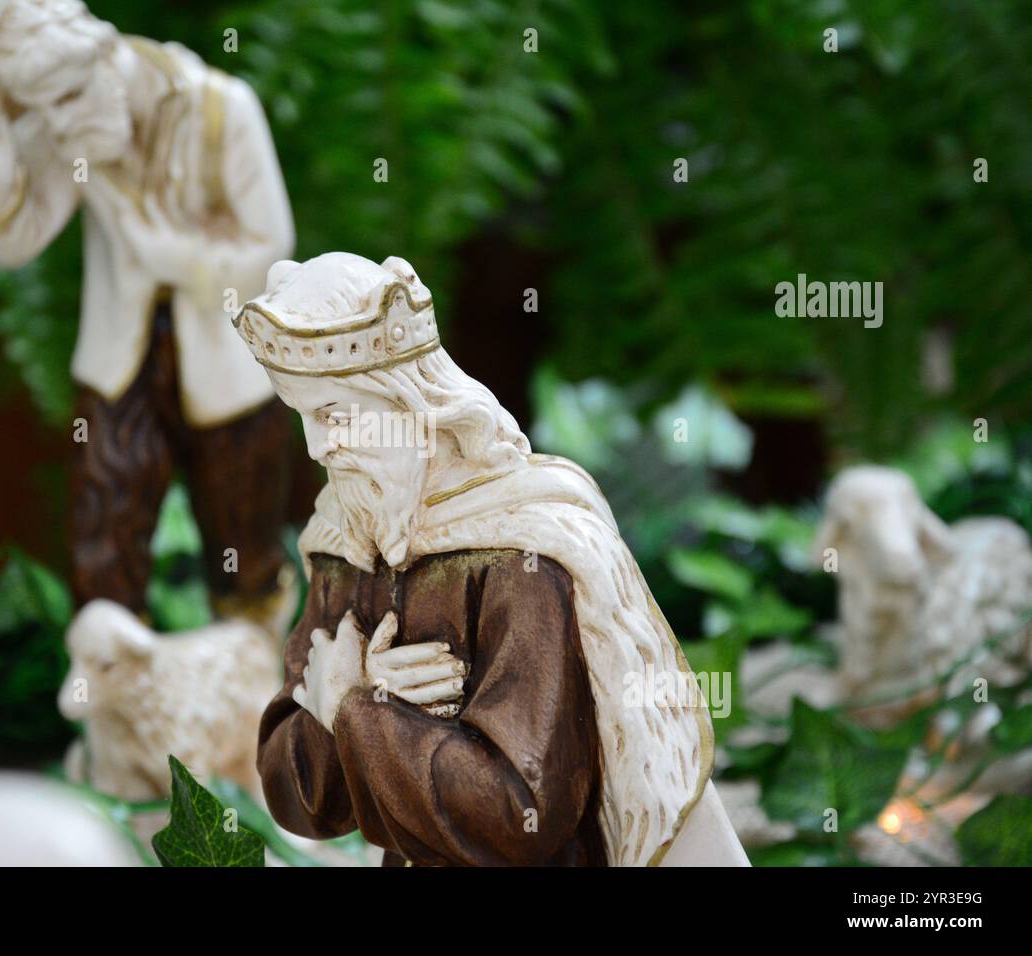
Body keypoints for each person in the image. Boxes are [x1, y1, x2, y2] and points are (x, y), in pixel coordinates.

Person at [239, 252, 749, 866]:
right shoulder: (345, 544)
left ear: (408, 403)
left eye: (336, 415)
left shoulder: (522, 554)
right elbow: (299, 800)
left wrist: (350, 706)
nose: (319, 447)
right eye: (305, 418)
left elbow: (518, 813)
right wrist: (347, 708)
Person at [0, 0, 296, 621]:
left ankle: (255, 692)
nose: (64, 125)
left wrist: (175, 257)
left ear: (105, 50)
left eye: (70, 99)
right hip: (120, 364)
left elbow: (271, 247)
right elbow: (15, 241)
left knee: (244, 537)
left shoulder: (222, 110)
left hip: (226, 365)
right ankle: (110, 694)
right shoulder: (68, 118)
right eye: (45, 110)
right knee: (105, 527)